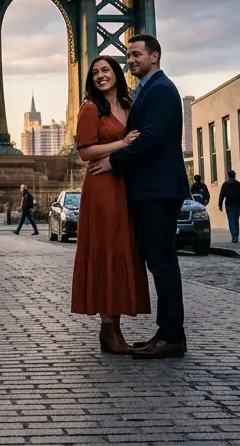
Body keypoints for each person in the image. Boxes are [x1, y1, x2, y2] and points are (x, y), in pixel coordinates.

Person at [88, 35, 191, 360]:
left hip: (158, 189)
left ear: (154, 56)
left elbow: (151, 137)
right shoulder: (148, 89)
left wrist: (114, 161)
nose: (130, 60)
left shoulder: (160, 89)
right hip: (151, 189)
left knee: (162, 262)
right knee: (159, 261)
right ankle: (167, 333)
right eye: (128, 55)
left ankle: (171, 336)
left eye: (136, 55)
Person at [71, 55, 151, 354]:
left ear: (117, 73)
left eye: (106, 70)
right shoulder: (90, 108)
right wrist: (122, 144)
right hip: (102, 186)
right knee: (106, 250)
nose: (100, 76)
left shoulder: (130, 107)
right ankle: (108, 329)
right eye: (95, 73)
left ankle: (115, 329)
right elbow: (85, 152)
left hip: (126, 184)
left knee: (122, 251)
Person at [218, 170, 240, 244]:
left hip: (229, 205)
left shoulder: (225, 184)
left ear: (228, 176)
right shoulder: (239, 184)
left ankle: (234, 236)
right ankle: (236, 234)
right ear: (235, 175)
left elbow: (221, 196)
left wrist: (220, 205)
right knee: (236, 220)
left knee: (231, 221)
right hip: (237, 205)